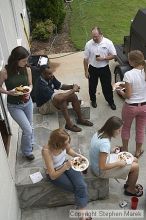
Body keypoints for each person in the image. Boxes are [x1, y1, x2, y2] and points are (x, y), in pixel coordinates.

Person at [42, 128, 91, 220]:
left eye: (68, 141)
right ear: (57, 143)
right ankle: (83, 213)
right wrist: (65, 166)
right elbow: (52, 175)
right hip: (55, 172)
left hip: (66, 164)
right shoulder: (46, 151)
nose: (67, 144)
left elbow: (69, 151)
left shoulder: (65, 143)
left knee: (82, 186)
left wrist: (77, 155)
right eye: (66, 143)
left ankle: (82, 213)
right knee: (76, 188)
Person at [89, 116, 143, 197]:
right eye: (119, 130)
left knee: (134, 159)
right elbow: (102, 166)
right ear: (112, 130)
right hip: (100, 171)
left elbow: (100, 152)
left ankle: (129, 183)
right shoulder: (105, 144)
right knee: (136, 166)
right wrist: (119, 163)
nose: (120, 132)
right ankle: (130, 190)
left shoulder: (99, 133)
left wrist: (111, 151)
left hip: (98, 163)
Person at [35, 65, 93, 132]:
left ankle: (80, 119)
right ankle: (69, 125)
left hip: (50, 99)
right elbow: (58, 98)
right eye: (49, 74)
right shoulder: (40, 85)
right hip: (43, 107)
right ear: (42, 74)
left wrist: (71, 86)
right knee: (62, 101)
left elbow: (60, 86)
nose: (52, 75)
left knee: (73, 96)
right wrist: (73, 90)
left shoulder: (49, 77)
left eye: (52, 73)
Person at [0, 46, 34, 160]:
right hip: (14, 106)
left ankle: (30, 142)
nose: (26, 63)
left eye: (27, 60)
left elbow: (30, 84)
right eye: (24, 61)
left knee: (30, 126)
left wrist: (29, 90)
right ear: (16, 60)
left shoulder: (27, 69)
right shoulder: (5, 71)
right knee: (27, 129)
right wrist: (8, 92)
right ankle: (27, 151)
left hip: (28, 102)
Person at [118, 50, 146, 158]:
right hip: (144, 106)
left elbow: (128, 95)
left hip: (131, 107)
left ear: (132, 62)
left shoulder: (128, 74)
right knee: (140, 129)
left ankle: (125, 150)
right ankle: (138, 151)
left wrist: (120, 91)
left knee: (126, 128)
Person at [83, 26, 117, 110]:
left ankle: (110, 102)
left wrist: (104, 58)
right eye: (93, 36)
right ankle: (93, 100)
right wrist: (86, 71)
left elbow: (114, 55)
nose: (94, 38)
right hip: (93, 69)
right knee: (92, 86)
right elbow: (86, 59)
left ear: (101, 34)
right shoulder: (88, 44)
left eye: (96, 36)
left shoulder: (108, 42)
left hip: (104, 68)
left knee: (107, 87)